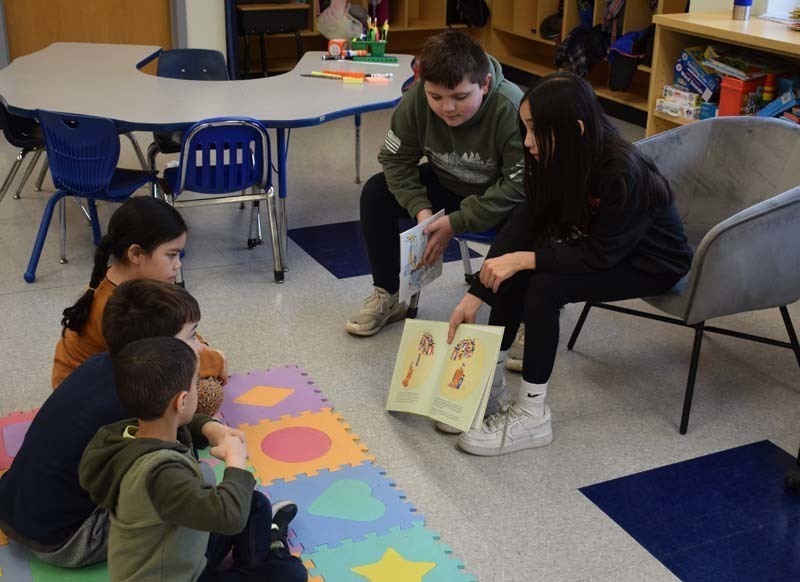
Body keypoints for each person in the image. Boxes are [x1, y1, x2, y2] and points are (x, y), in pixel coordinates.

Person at [446, 72, 694, 456]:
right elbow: (527, 221)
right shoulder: (557, 154)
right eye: (524, 129)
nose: (527, 142)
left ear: (574, 128)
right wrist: (476, 293)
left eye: (535, 131)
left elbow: (600, 255)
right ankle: (487, 386)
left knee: (544, 285)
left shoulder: (622, 170)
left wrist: (526, 259)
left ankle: (532, 415)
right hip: (603, 245)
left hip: (652, 263)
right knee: (515, 269)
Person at [0, 281, 221, 567]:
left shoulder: (103, 365)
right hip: (67, 540)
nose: (200, 346)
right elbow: (170, 480)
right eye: (192, 337)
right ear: (160, 354)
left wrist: (204, 426)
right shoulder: (127, 409)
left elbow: (169, 419)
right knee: (200, 480)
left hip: (12, 506)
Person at [79, 337, 307, 581]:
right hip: (179, 576)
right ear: (183, 401)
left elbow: (178, 425)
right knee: (291, 574)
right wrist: (235, 461)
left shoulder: (124, 435)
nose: (199, 390)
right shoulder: (160, 474)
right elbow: (229, 517)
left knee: (255, 503)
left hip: (181, 551)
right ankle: (272, 549)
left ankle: (260, 555)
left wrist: (209, 427)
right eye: (196, 386)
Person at [345, 29, 525, 337]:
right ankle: (388, 294)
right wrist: (422, 212)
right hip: (449, 186)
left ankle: (525, 317)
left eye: (460, 97)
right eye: (436, 97)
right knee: (376, 193)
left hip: (501, 201)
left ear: (485, 84)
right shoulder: (415, 100)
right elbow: (395, 160)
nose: (447, 108)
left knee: (531, 214)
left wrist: (457, 222)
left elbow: (518, 185)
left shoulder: (512, 108)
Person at [52, 196, 228, 415]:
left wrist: (202, 347)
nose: (178, 265)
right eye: (171, 255)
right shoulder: (129, 308)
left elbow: (178, 328)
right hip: (91, 406)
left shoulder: (123, 283)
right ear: (136, 254)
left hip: (93, 388)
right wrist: (216, 360)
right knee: (206, 394)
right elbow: (166, 362)